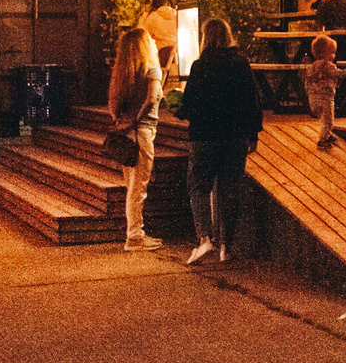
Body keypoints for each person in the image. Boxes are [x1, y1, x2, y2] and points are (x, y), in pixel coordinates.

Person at [178, 17, 260, 264]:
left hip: (204, 136)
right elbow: (252, 101)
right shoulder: (241, 64)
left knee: (198, 185)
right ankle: (227, 245)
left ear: (204, 38)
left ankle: (205, 239)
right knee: (230, 188)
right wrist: (253, 134)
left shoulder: (199, 66)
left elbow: (189, 103)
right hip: (234, 136)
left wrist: (179, 110)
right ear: (228, 36)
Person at [108, 26, 164, 253]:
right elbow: (152, 99)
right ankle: (135, 237)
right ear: (143, 45)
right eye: (150, 38)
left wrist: (120, 121)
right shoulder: (152, 69)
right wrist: (135, 120)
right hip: (142, 132)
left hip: (127, 135)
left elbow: (111, 105)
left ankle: (135, 234)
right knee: (138, 187)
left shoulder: (123, 73)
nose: (153, 39)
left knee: (131, 185)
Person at [303, 34, 343, 150]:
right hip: (326, 98)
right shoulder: (329, 66)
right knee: (329, 120)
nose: (334, 55)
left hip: (313, 98)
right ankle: (323, 140)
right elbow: (339, 74)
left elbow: (307, 82)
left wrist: (309, 94)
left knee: (324, 119)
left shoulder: (311, 67)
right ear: (322, 53)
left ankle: (327, 134)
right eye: (332, 52)